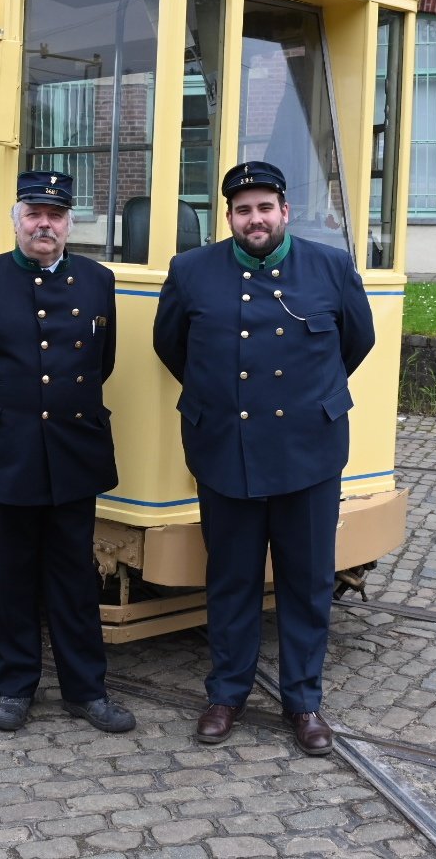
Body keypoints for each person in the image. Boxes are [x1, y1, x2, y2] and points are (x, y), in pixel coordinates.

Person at [153, 161, 375, 756]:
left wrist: (304, 400)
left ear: (284, 211)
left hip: (309, 453)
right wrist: (224, 399)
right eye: (243, 210)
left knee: (306, 585)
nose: (255, 219)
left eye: (265, 208)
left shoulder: (329, 267)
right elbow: (172, 345)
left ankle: (304, 702)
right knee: (231, 581)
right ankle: (226, 694)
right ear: (228, 217)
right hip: (226, 450)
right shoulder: (192, 270)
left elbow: (358, 340)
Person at [0, 171, 135, 734]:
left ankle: (86, 691)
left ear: (70, 223)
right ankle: (16, 687)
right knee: (11, 575)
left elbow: (102, 362)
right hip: (7, 452)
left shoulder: (98, 280)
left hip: (73, 449)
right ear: (16, 220)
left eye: (57, 214)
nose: (45, 223)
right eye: (34, 213)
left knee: (74, 575)